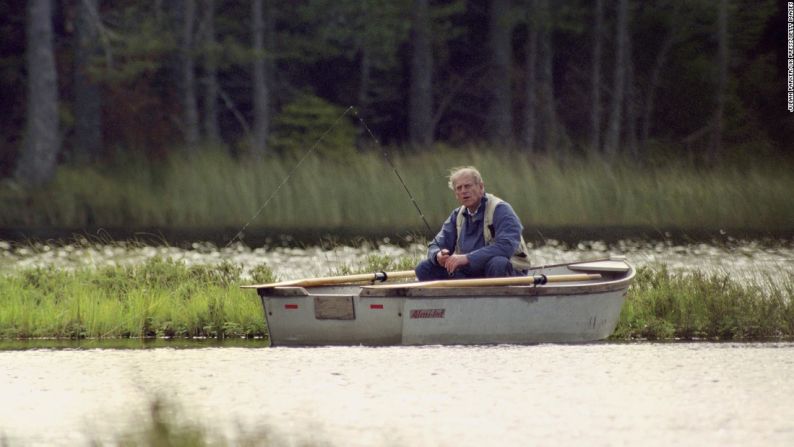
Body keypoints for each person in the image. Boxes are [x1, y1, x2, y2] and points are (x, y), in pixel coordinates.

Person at [415, 166, 532, 281]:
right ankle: (461, 298)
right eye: (459, 188)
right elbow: (436, 244)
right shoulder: (457, 215)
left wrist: (467, 258)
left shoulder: (501, 209)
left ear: (481, 187)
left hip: (507, 270)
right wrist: (437, 256)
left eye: (468, 186)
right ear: (456, 195)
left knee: (498, 263)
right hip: (471, 272)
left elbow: (506, 247)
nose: (463, 191)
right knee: (424, 268)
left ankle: (494, 299)